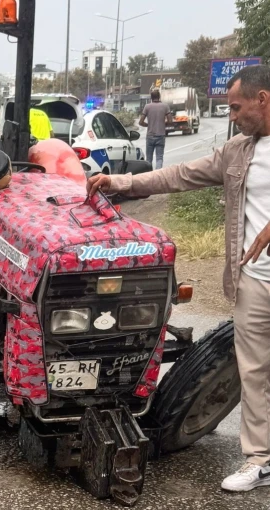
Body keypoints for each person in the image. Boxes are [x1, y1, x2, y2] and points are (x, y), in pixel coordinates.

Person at [87, 65, 270, 493]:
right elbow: (178, 175)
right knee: (255, 372)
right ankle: (261, 460)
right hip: (255, 280)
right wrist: (120, 181)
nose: (232, 116)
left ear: (263, 99)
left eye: (237, 108)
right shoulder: (238, 152)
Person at [139, 89, 173, 169]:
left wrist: (148, 125)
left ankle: (149, 175)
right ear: (159, 97)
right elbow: (170, 121)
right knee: (159, 158)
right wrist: (163, 124)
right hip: (161, 136)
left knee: (149, 159)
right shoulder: (165, 106)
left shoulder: (147, 107)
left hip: (150, 136)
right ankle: (158, 174)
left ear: (151, 97)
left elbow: (140, 122)